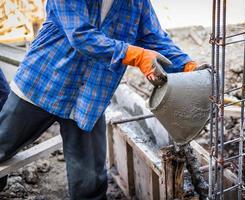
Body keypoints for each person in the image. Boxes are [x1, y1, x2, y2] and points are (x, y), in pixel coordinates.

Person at [0, 0, 207, 199]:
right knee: (2, 143)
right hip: (43, 83)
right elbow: (81, 36)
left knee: (90, 180)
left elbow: (154, 38)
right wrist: (136, 55)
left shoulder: (136, 2)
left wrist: (186, 66)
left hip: (89, 98)